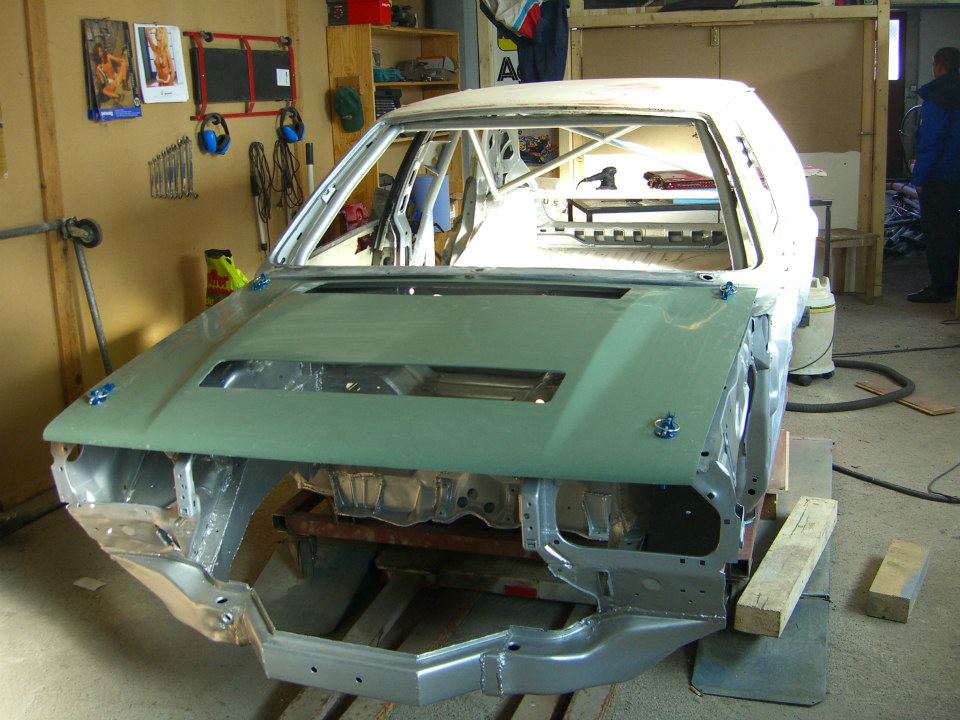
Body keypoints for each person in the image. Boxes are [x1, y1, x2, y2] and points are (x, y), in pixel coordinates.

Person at [909, 46, 960, 303]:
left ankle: (941, 287)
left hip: (940, 178)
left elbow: (931, 141)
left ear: (939, 66)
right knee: (953, 230)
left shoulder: (939, 98)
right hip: (955, 175)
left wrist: (918, 178)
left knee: (939, 233)